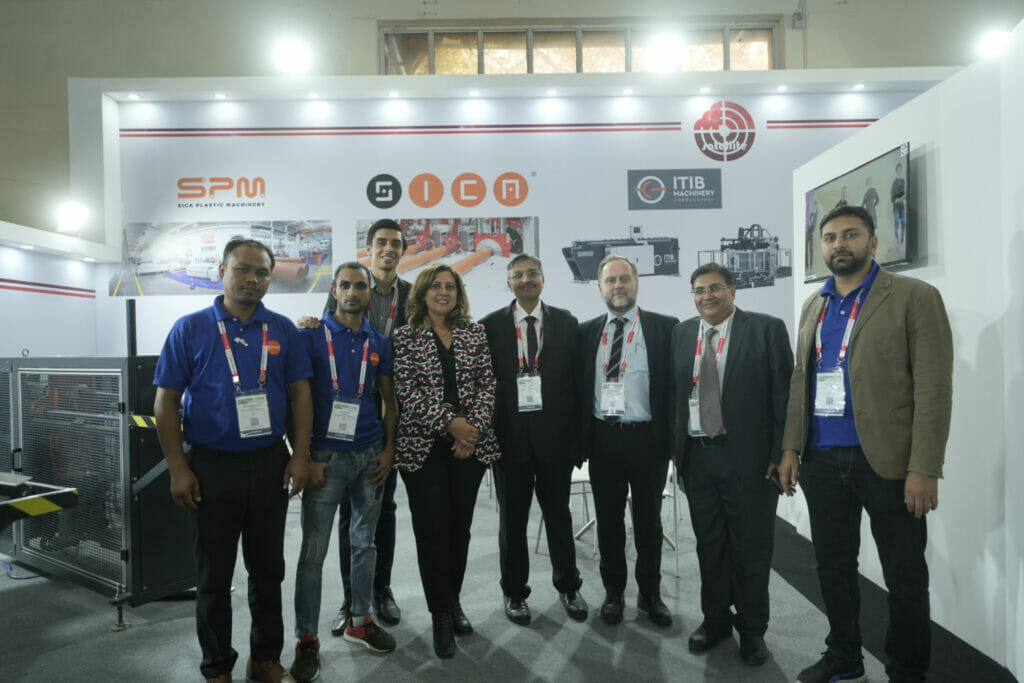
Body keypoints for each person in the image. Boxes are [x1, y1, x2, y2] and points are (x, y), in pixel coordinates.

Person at [778, 205, 953, 683]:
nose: (839, 244)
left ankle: (907, 671)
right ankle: (844, 655)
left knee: (905, 576)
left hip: (889, 462)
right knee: (832, 566)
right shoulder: (813, 305)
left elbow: (934, 388)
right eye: (830, 237)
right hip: (821, 458)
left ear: (873, 243)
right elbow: (801, 380)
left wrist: (925, 467)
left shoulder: (914, 297)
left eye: (850, 235)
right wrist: (791, 447)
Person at [153, 238, 313, 683]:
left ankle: (264, 659)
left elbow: (301, 395)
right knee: (214, 576)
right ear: (222, 271)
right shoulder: (190, 328)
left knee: (268, 570)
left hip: (269, 465)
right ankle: (217, 666)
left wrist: (299, 456)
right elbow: (165, 402)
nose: (252, 279)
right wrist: (178, 468)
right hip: (210, 467)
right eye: (242, 269)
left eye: (262, 273)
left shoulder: (282, 330)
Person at [671, 263, 793, 666]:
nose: (706, 296)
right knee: (710, 546)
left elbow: (783, 398)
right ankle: (716, 619)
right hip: (698, 458)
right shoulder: (682, 333)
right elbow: (674, 394)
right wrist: (675, 449)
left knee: (751, 548)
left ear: (733, 290)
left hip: (750, 462)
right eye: (699, 290)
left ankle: (753, 629)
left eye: (715, 288)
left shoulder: (766, 329)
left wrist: (782, 453)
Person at [299, 218, 410, 631]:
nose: (388, 248)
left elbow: (392, 391)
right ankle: (350, 602)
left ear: (402, 250)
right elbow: (310, 379)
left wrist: (390, 445)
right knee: (342, 525)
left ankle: (379, 592)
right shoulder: (330, 317)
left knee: (382, 519)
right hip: (334, 440)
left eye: (395, 243)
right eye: (381, 242)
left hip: (378, 432)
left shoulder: (411, 297)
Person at [290, 262, 398, 683]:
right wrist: (303, 456)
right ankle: (307, 639)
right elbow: (295, 398)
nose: (353, 292)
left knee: (364, 544)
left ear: (370, 294)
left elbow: (388, 400)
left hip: (369, 455)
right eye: (345, 285)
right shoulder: (309, 336)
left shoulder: (379, 341)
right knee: (313, 553)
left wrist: (388, 450)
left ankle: (360, 620)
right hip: (325, 458)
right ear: (334, 291)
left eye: (360, 286)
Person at [392, 263, 500, 659]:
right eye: (435, 286)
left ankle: (453, 600)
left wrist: (471, 430)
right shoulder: (405, 337)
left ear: (458, 293)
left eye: (450, 286)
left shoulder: (475, 333)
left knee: (460, 530)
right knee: (432, 532)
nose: (443, 292)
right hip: (423, 450)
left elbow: (488, 383)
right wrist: (450, 424)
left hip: (469, 448)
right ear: (422, 293)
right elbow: (406, 390)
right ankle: (439, 614)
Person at [480, 254, 587, 626]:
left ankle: (569, 586)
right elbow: (483, 386)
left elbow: (577, 384)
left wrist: (578, 441)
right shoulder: (489, 326)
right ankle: (514, 593)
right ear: (508, 282)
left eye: (532, 274)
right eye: (518, 275)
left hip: (555, 443)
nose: (525, 279)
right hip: (510, 444)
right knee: (512, 523)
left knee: (559, 517)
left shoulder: (566, 323)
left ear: (543, 279)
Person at [577, 254, 678, 627]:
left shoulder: (665, 328)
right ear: (599, 288)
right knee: (609, 522)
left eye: (624, 279)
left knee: (649, 522)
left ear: (636, 283)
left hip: (648, 440)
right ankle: (614, 592)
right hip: (603, 440)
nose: (617, 286)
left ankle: (650, 594)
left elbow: (675, 387)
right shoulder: (586, 333)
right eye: (610, 281)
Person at [891, 163, 907, 244]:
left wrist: (903, 197)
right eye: (898, 169)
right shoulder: (893, 184)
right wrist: (896, 200)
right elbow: (892, 198)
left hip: (902, 207)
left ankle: (902, 239)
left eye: (901, 169)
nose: (899, 171)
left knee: (903, 224)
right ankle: (896, 239)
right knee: (897, 224)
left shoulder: (903, 181)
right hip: (896, 208)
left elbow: (905, 194)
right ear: (896, 171)